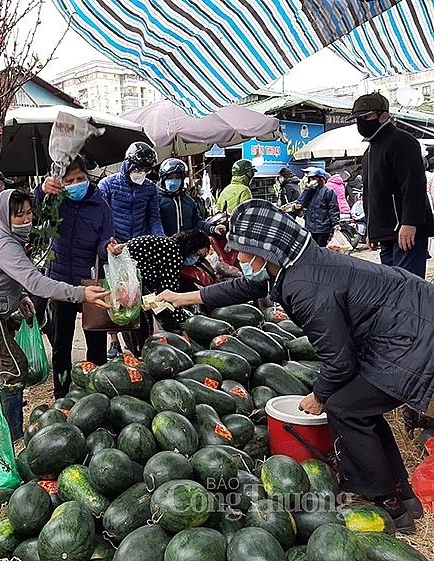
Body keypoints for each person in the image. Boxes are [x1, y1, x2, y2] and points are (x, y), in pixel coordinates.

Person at [157, 199, 427, 534]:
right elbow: (246, 286)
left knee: (346, 407)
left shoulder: (306, 287)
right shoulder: (296, 262)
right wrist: (185, 297)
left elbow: (339, 362)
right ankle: (403, 496)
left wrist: (319, 395)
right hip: (405, 325)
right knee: (359, 406)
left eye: (242, 251)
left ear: (264, 252)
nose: (238, 259)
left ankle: (387, 503)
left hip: (409, 340)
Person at [0, 189, 110, 441]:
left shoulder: (8, 237)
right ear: (5, 216)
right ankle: (14, 434)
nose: (26, 219)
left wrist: (21, 298)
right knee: (15, 367)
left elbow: (6, 279)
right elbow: (37, 282)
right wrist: (81, 294)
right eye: (19, 215)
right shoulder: (3, 244)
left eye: (29, 213)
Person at [36, 156, 115, 398]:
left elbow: (104, 242)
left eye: (80, 178)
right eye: (69, 180)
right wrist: (41, 190)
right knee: (61, 343)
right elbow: (33, 213)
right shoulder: (55, 201)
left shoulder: (101, 207)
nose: (76, 183)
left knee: (96, 340)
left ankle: (96, 391)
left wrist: (109, 248)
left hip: (91, 281)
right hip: (60, 281)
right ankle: (62, 392)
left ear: (88, 177)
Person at [348, 92, 434, 278]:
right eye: (358, 119)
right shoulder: (369, 150)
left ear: (384, 116)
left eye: (366, 117)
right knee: (393, 289)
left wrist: (409, 223)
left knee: (407, 287)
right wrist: (372, 230)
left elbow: (414, 185)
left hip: (404, 230)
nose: (361, 122)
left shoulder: (401, 141)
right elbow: (371, 193)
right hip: (385, 233)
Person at [99, 141, 163, 358]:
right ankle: (114, 339)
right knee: (115, 294)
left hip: (138, 248)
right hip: (114, 248)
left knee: (136, 293)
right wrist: (108, 244)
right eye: (137, 168)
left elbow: (153, 216)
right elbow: (101, 217)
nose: (141, 173)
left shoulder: (150, 188)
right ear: (127, 164)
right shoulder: (108, 185)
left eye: (145, 170)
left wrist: (159, 240)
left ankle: (140, 338)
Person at [157, 157, 226, 237]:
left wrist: (212, 228)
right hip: (163, 246)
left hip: (186, 245)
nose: (173, 181)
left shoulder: (189, 201)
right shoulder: (155, 200)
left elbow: (197, 223)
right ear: (163, 179)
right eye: (170, 178)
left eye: (177, 177)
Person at [293, 167, 341, 247]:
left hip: (323, 228)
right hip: (310, 228)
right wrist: (307, 189)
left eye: (314, 179)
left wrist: (335, 223)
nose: (312, 181)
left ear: (321, 179)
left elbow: (333, 209)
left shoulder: (328, 192)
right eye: (311, 179)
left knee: (321, 250)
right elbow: (300, 203)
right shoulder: (309, 192)